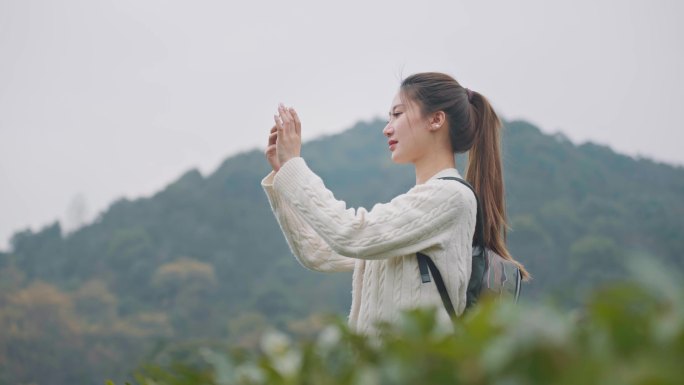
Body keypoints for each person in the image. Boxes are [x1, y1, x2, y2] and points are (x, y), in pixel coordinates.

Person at [261, 72, 529, 337]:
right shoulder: (420, 205)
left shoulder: (450, 197)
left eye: (398, 114)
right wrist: (283, 176)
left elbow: (351, 234)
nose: (387, 128)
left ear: (436, 119)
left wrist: (295, 167)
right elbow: (317, 252)